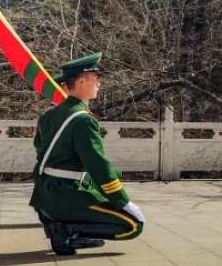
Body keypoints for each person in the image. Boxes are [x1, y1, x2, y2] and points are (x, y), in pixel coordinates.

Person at [30, 53, 144, 255]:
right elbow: (97, 164)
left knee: (103, 187)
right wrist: (123, 201)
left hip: (44, 197)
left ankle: (61, 229)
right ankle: (64, 231)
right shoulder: (83, 120)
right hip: (65, 195)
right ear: (81, 81)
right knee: (134, 225)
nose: (99, 83)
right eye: (95, 78)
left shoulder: (49, 115)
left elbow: (41, 149)